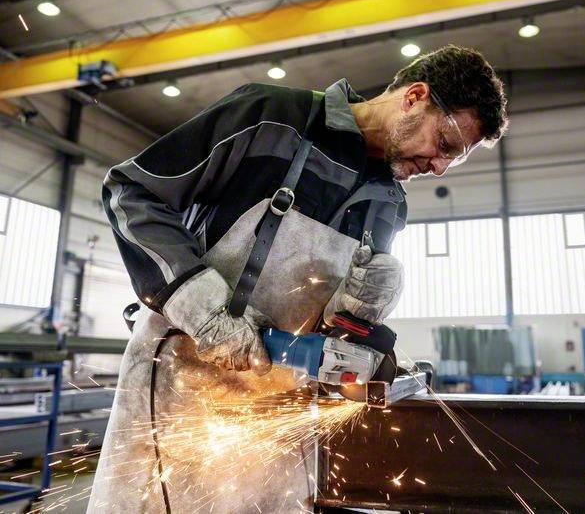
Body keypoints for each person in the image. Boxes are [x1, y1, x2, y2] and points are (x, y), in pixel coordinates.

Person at [89, 45, 508, 512]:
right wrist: (203, 310)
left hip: (283, 406)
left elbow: (332, 325)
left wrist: (356, 314)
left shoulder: (390, 204)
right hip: (183, 383)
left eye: (455, 159)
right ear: (414, 97)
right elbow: (133, 193)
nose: (440, 166)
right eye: (446, 144)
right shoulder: (271, 118)